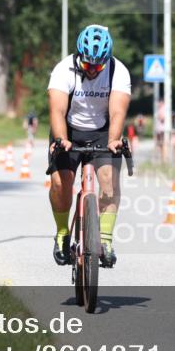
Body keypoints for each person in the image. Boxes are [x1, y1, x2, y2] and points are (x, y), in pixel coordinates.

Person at [47, 25, 131, 268]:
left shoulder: (118, 71)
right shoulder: (63, 69)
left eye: (98, 66)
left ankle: (105, 240)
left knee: (109, 181)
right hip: (69, 128)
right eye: (87, 65)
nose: (93, 70)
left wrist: (114, 140)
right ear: (79, 57)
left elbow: (117, 111)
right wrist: (62, 139)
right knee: (60, 183)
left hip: (103, 131)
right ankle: (62, 233)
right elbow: (57, 110)